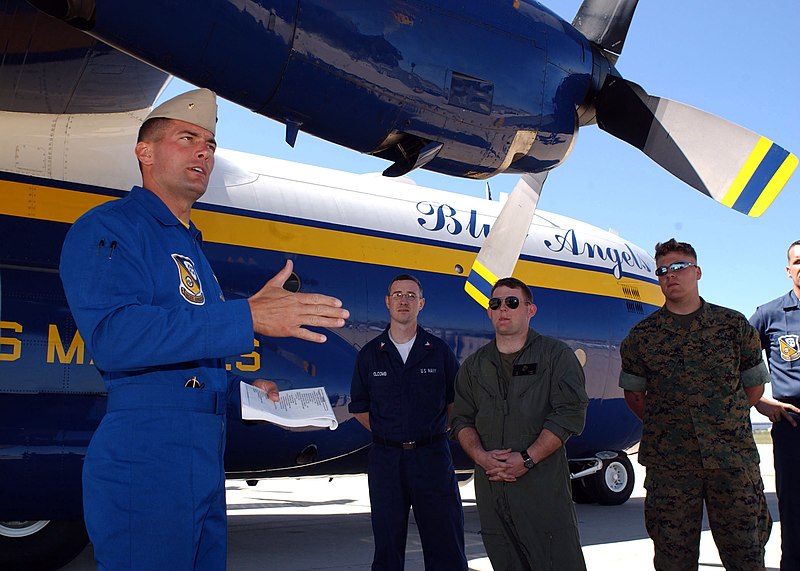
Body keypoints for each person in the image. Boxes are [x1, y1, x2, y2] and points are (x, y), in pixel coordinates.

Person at [59, 88, 349, 570]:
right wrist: (248, 316)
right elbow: (115, 337)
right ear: (144, 152)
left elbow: (186, 356)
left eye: (210, 145)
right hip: (148, 454)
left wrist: (243, 390)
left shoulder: (191, 247)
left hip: (203, 457)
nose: (204, 152)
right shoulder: (110, 228)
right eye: (187, 138)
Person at [619, 238, 772, 571]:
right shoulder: (641, 337)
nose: (670, 276)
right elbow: (634, 396)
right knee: (673, 559)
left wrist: (721, 422)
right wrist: (671, 426)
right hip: (670, 467)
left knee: (746, 555)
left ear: (697, 271)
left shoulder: (734, 327)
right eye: (662, 271)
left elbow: (755, 387)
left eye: (678, 267)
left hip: (732, 463)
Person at [450, 276, 588, 571]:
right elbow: (461, 419)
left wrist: (526, 459)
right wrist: (481, 457)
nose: (503, 309)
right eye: (495, 303)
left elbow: (569, 414)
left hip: (541, 491)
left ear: (530, 310)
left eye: (512, 302)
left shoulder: (555, 357)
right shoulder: (474, 366)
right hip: (492, 493)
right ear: (489, 311)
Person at [349, 274, 468, 571]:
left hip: (432, 458)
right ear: (388, 302)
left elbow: (456, 402)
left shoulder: (438, 352)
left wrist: (429, 432)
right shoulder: (370, 356)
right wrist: (391, 434)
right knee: (387, 548)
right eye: (398, 294)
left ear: (421, 304)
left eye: (411, 296)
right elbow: (360, 408)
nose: (404, 300)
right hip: (386, 461)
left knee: (445, 545)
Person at [750, 239, 800, 570]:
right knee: (795, 513)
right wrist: (759, 401)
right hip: (793, 426)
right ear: (788, 269)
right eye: (798, 261)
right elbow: (729, 361)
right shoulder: (769, 315)